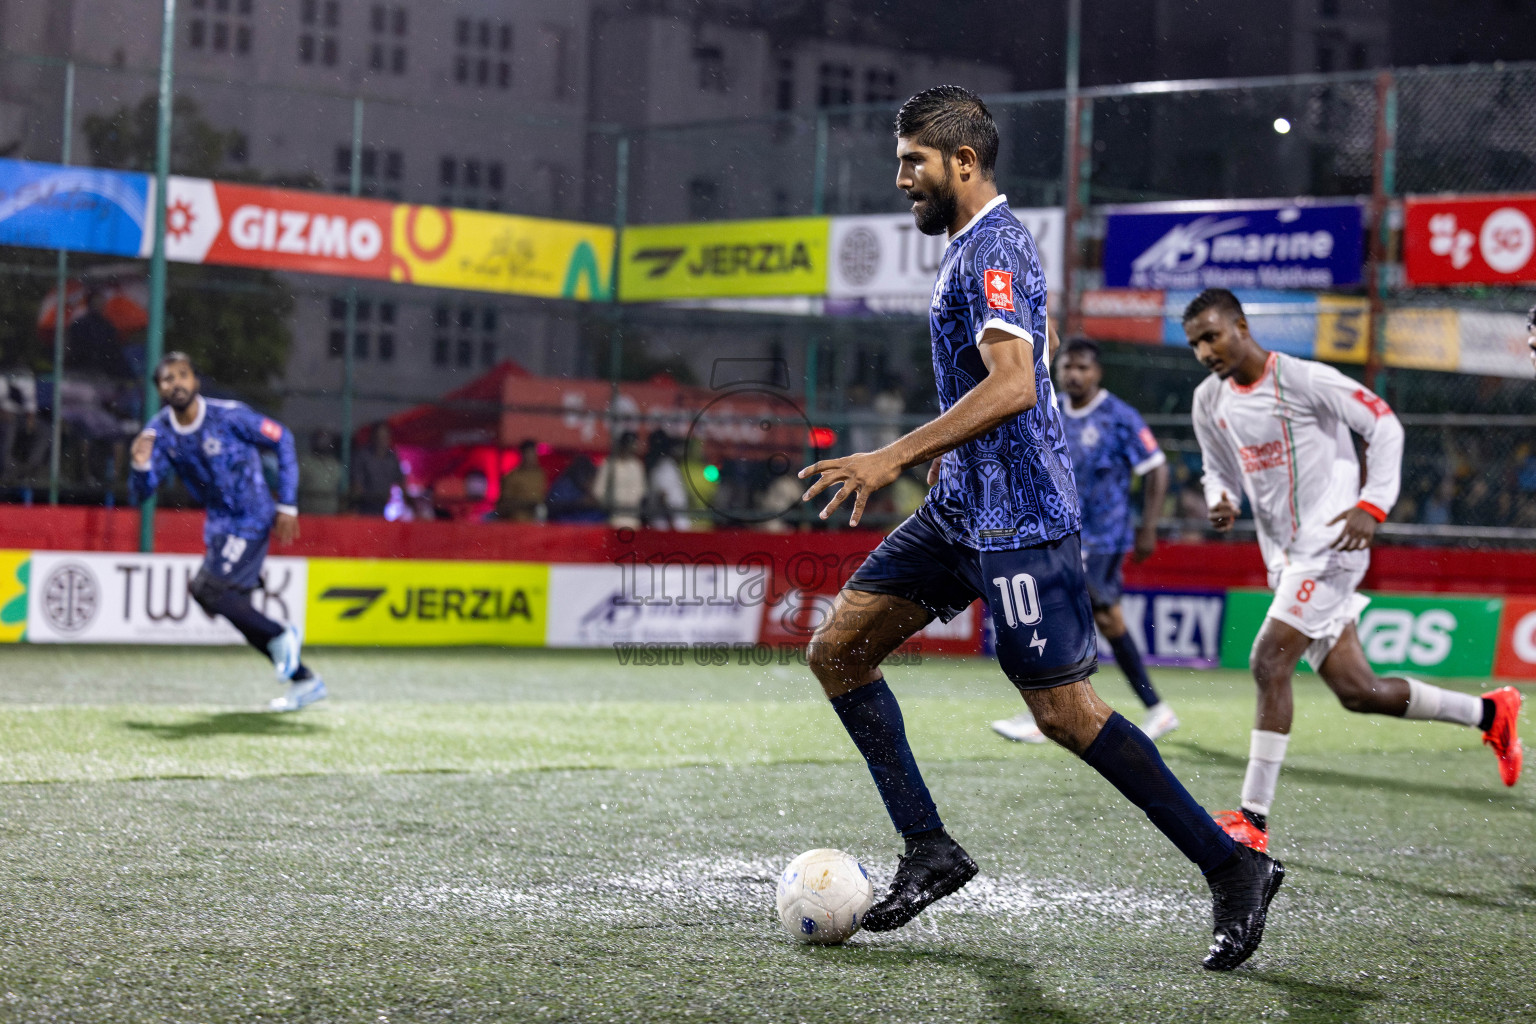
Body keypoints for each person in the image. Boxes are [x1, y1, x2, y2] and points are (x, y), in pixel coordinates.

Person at [797, 86, 1280, 971]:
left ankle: (1233, 865)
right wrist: (947, 457)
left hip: (1022, 523)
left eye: (914, 161)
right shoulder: (963, 250)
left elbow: (1015, 384)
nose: (901, 177)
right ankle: (931, 849)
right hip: (963, 512)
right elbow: (990, 389)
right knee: (837, 650)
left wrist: (891, 455)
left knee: (1064, 713)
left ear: (964, 163)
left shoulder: (998, 247)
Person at [1184, 287, 1522, 854]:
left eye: (1212, 336)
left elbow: (1384, 425)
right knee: (1358, 690)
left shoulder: (1303, 379)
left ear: (1240, 326)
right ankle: (1491, 713)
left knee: (1269, 660)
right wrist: (1221, 496)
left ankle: (1253, 821)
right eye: (1196, 343)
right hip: (1287, 559)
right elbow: (1215, 466)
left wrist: (1372, 505)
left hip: (1332, 546)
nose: (1204, 351)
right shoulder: (1207, 400)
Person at [992, 338, 1178, 744]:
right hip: (1065, 532)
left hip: (1105, 536)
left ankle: (1049, 711)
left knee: (1063, 608)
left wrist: (1148, 526)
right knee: (1108, 621)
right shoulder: (1053, 408)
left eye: (1083, 368)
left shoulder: (1118, 416)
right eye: (1068, 368)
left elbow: (1157, 468)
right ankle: (1157, 709)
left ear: (1097, 373)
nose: (1074, 375)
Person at [128, 353, 325, 712]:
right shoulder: (160, 432)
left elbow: (282, 438)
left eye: (182, 375)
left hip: (252, 516)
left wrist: (288, 504)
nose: (176, 384)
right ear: (159, 389)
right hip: (219, 526)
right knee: (228, 606)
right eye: (167, 379)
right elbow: (142, 492)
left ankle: (283, 635)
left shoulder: (228, 415)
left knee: (207, 588)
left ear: (195, 381)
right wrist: (139, 466)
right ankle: (304, 680)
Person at [592, 431, 646, 529]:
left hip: (633, 520)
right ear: (623, 445)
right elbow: (598, 491)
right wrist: (610, 505)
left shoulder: (637, 466)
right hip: (613, 519)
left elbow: (641, 492)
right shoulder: (609, 465)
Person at [350, 422, 403, 516]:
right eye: (379, 436)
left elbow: (401, 480)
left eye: (385, 436)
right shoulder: (363, 456)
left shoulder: (392, 458)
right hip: (365, 508)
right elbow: (357, 485)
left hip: (384, 508)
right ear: (373, 438)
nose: (382, 440)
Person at [645, 431, 691, 530]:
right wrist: (671, 519)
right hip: (667, 523)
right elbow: (663, 495)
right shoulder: (665, 466)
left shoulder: (672, 466)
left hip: (673, 520)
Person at [496, 439, 548, 522]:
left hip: (537, 522)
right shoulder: (512, 477)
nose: (531, 457)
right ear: (522, 455)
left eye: (533, 453)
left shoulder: (541, 475)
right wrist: (527, 505)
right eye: (528, 453)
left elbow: (543, 498)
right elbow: (504, 505)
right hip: (517, 522)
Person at [297, 429, 343, 516]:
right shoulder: (305, 462)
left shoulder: (335, 464)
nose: (322, 443)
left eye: (325, 440)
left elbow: (342, 489)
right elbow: (295, 485)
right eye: (320, 439)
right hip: (308, 513)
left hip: (330, 514)